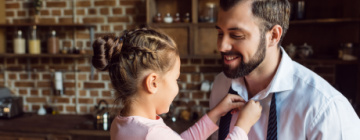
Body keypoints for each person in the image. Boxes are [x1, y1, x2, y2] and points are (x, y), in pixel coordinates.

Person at [210, 0, 360, 139]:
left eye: (236, 35)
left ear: (273, 36)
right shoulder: (220, 85)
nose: (221, 46)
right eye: (220, 33)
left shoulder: (324, 109)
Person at [91, 28, 262, 140]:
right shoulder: (152, 134)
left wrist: (216, 113)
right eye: (176, 79)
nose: (177, 87)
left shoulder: (121, 124)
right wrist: (243, 126)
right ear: (153, 83)